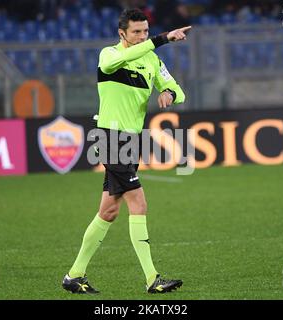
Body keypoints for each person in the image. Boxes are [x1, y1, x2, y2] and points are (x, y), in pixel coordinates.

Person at [62, 8, 191, 294]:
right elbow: (119, 60)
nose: (141, 36)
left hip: (131, 141)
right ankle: (152, 279)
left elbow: (178, 90)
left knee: (108, 211)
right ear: (122, 33)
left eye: (145, 31)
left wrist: (168, 92)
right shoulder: (109, 55)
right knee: (139, 204)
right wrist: (161, 39)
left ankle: (74, 276)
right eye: (136, 32)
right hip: (110, 138)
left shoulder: (152, 60)